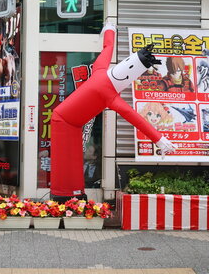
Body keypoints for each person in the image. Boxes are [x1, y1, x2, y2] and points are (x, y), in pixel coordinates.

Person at [50, 23, 177, 201]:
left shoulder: (100, 71)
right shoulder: (108, 92)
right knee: (67, 167)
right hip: (63, 122)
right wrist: (159, 139)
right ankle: (65, 198)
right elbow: (134, 118)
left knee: (70, 165)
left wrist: (109, 28)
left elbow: (108, 47)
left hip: (68, 122)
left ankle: (72, 196)